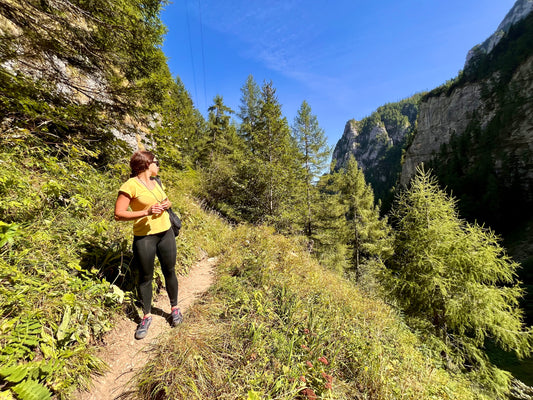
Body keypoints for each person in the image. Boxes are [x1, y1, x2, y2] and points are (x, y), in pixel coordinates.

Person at [114, 150, 183, 339]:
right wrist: (146, 212)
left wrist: (166, 204)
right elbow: (119, 213)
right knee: (146, 276)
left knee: (170, 270)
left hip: (165, 232)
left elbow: (163, 202)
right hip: (145, 237)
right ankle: (146, 316)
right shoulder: (130, 186)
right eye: (156, 162)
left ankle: (175, 308)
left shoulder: (156, 182)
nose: (158, 166)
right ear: (146, 164)